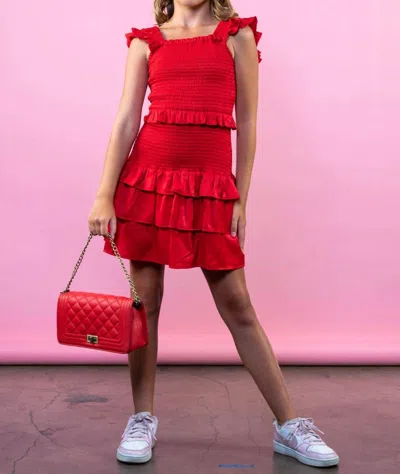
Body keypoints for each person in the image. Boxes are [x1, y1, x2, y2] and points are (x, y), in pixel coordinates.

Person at [88, 0, 339, 468]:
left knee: (238, 304)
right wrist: (104, 194)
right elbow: (125, 121)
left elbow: (249, 121)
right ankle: (142, 418)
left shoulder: (236, 36)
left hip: (211, 188)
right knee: (145, 304)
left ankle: (290, 425)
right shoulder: (146, 42)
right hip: (147, 184)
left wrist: (241, 197)